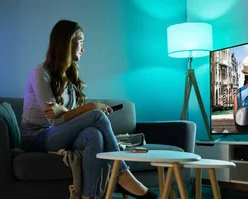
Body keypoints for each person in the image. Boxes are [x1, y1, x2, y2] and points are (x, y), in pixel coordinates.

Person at [20, 19, 157, 199]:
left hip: (58, 134)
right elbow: (55, 120)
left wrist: (64, 110)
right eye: (81, 42)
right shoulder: (40, 73)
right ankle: (123, 175)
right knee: (96, 115)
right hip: (36, 138)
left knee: (94, 134)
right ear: (68, 42)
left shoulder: (68, 75)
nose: (83, 48)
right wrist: (90, 107)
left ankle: (88, 196)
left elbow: (67, 117)